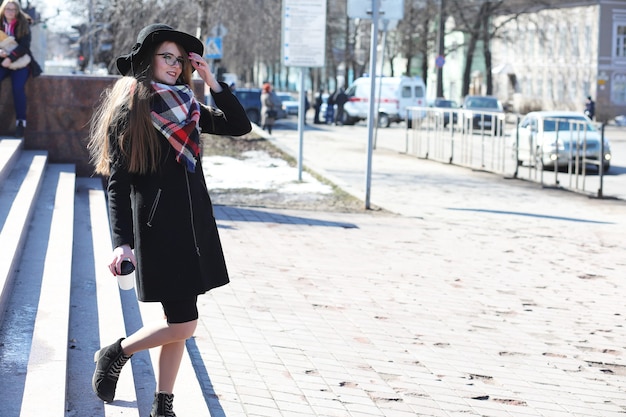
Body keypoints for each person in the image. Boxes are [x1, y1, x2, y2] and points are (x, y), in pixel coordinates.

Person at [87, 24, 251, 417]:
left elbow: (239, 126)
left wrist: (211, 79)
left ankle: (163, 405)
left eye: (180, 60)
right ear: (148, 59)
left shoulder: (188, 107)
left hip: (194, 228)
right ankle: (116, 352)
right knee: (184, 323)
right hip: (158, 232)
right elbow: (117, 182)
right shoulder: (131, 110)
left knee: (179, 319)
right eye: (168, 57)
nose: (176, 67)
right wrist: (121, 241)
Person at [0, 0, 42, 137]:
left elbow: (24, 46)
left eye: (13, 9)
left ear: (17, 11)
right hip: (2, 61)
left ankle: (20, 123)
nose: (10, 12)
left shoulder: (23, 23)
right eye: (7, 9)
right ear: (3, 9)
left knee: (18, 88)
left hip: (20, 62)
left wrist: (10, 58)